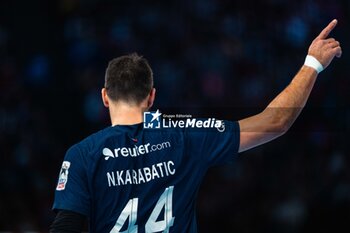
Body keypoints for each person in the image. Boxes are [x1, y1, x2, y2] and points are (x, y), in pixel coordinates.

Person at [50, 19, 342, 232]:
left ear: (104, 97)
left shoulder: (81, 155)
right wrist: (312, 64)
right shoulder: (184, 135)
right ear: (151, 96)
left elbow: (65, 228)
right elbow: (276, 121)